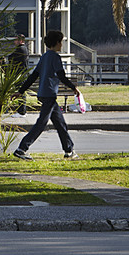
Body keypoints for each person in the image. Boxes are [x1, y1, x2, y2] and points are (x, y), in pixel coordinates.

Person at [12, 29, 81, 160]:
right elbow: (61, 75)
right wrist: (73, 88)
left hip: (44, 93)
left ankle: (69, 150)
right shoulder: (55, 57)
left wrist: (20, 91)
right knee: (41, 123)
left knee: (60, 123)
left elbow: (33, 76)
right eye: (60, 42)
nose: (62, 45)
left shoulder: (44, 57)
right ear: (56, 43)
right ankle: (22, 149)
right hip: (49, 94)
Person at [7, 34, 29, 115]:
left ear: (21, 41)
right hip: (22, 73)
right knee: (21, 92)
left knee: (20, 93)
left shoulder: (20, 49)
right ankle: (22, 111)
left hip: (20, 74)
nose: (14, 41)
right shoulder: (24, 49)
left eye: (16, 40)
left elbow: (11, 58)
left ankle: (21, 111)